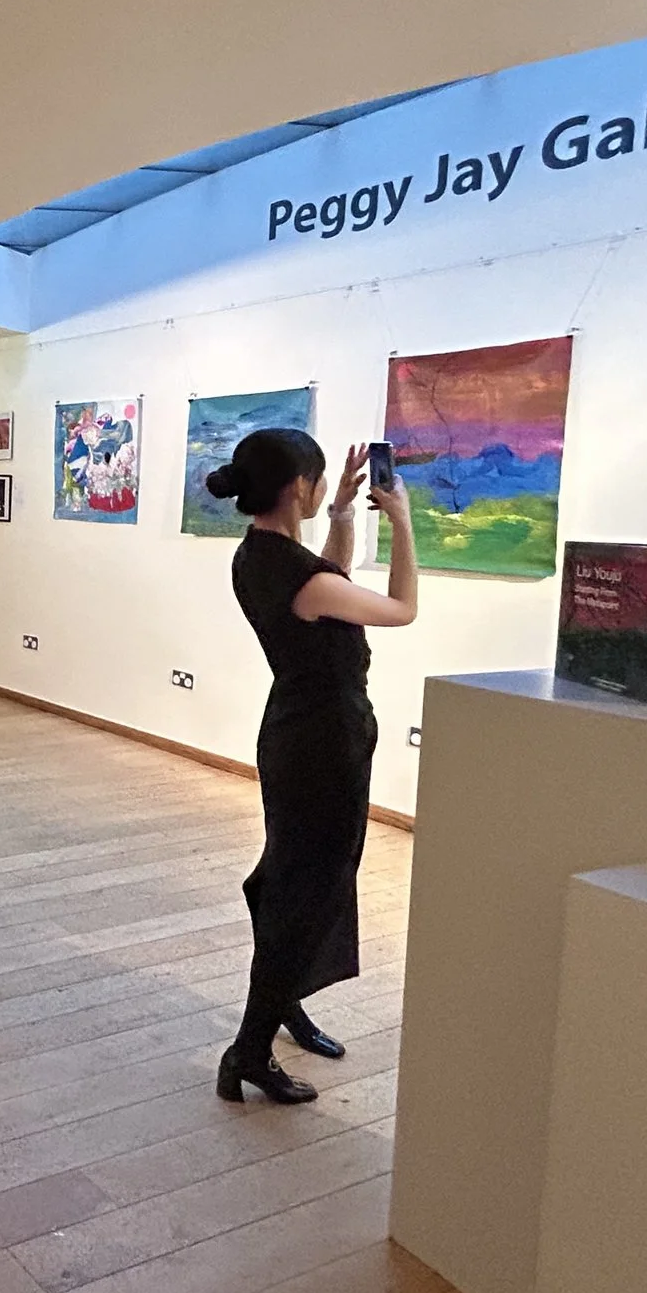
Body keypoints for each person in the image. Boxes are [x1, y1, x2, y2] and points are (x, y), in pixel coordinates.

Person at [208, 430, 417, 1104]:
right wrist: (405, 522)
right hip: (323, 744)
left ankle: (282, 1002)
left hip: (295, 733)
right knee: (309, 887)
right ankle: (249, 1047)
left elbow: (325, 580)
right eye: (323, 480)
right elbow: (402, 609)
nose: (327, 487)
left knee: (293, 877)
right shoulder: (301, 576)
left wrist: (346, 514)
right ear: (300, 484)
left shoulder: (259, 556)